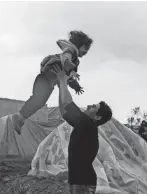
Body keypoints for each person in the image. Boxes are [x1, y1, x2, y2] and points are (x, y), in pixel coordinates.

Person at [12, 30, 93, 134]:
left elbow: (67, 78)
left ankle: (21, 118)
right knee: (38, 99)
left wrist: (76, 86)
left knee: (40, 101)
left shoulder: (75, 60)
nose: (86, 51)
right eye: (85, 48)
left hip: (49, 80)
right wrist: (71, 70)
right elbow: (65, 59)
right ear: (79, 44)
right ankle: (19, 117)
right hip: (46, 77)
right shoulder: (70, 51)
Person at [52, 65, 112, 194]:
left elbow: (68, 103)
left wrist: (62, 80)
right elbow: (64, 110)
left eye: (93, 107)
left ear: (97, 116)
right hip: (79, 181)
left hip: (83, 183)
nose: (89, 105)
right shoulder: (85, 125)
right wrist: (60, 85)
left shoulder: (88, 124)